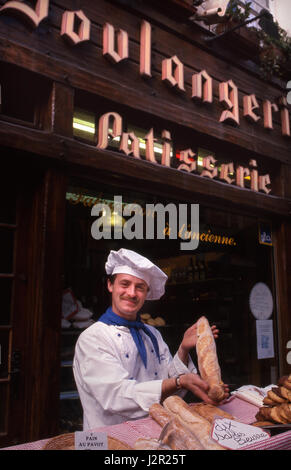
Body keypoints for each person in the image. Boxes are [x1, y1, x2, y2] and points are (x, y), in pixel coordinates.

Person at [73, 248, 229, 430]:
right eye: (125, 284)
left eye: (140, 287)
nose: (131, 293)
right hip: (105, 439)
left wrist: (184, 349)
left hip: (152, 432)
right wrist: (179, 381)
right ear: (110, 285)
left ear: (147, 293)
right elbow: (117, 396)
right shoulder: (93, 338)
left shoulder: (151, 333)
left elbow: (169, 386)